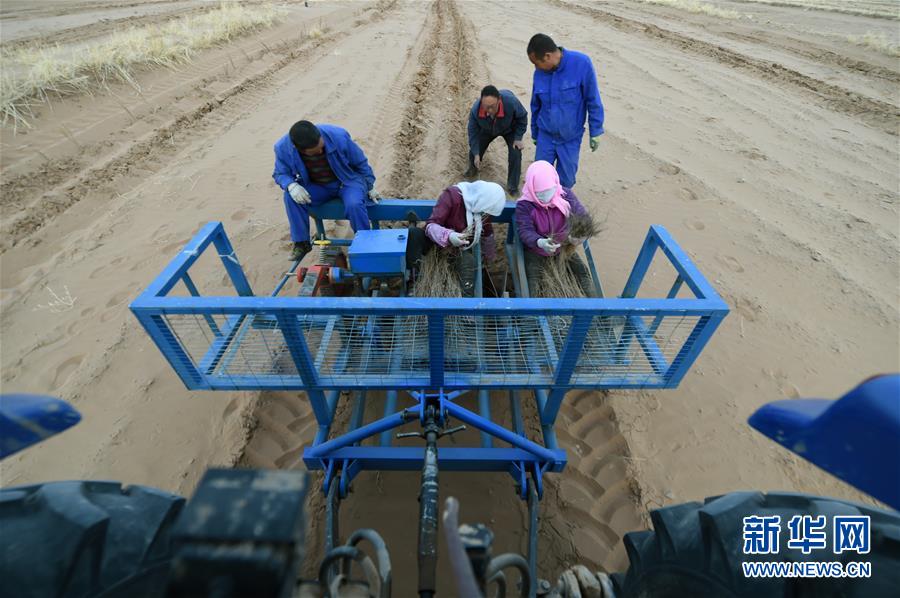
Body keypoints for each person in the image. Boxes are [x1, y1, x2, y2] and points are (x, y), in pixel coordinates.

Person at [272, 121, 380, 261]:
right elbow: (280, 173)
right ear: (298, 149)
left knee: (354, 204)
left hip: (346, 182)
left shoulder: (338, 136)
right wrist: (291, 185)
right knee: (290, 197)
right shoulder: (283, 148)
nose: (320, 151)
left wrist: (370, 185)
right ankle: (301, 242)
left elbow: (360, 163)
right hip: (317, 186)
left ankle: (365, 242)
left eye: (321, 146)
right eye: (315, 152)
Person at [527, 33, 605, 189]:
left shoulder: (581, 64)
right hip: (546, 137)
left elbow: (593, 99)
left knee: (566, 183)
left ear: (548, 56)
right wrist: (535, 133)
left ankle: (561, 210)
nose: (535, 68)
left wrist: (595, 130)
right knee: (540, 181)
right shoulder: (540, 74)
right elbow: (535, 105)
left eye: (536, 63)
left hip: (570, 139)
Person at [515, 160, 594, 297]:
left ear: (555, 184)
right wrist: (540, 242)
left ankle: (602, 311)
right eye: (539, 193)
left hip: (562, 248)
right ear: (531, 187)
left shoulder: (565, 195)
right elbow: (525, 231)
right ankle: (534, 316)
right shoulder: (525, 205)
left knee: (583, 273)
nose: (545, 197)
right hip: (535, 251)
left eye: (549, 191)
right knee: (533, 284)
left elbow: (583, 216)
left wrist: (579, 235)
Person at [420, 181, 507, 297]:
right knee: (468, 262)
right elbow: (430, 226)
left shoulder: (481, 209)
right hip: (441, 248)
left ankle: (468, 302)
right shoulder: (452, 197)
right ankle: (463, 306)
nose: (486, 214)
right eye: (486, 211)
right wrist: (450, 236)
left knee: (470, 263)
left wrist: (489, 257)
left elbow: (487, 231)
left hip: (462, 249)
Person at [464, 85, 528, 195]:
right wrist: (476, 153)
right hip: (487, 130)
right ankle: (472, 170)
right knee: (475, 151)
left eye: (492, 107)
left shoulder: (511, 102)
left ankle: (512, 187)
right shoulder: (476, 109)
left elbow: (522, 117)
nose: (489, 110)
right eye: (485, 106)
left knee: (515, 153)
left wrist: (518, 138)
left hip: (509, 129)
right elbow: (473, 133)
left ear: (499, 100)